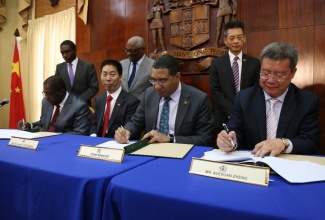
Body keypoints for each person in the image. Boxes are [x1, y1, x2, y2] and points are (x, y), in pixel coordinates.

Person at [217, 42, 320, 156]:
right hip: (252, 163)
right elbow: (235, 131)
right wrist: (228, 141)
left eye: (279, 75)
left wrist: (283, 144)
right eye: (265, 73)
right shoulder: (244, 98)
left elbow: (311, 142)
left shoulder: (307, 101)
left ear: (293, 73)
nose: (270, 80)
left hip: (287, 165)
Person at [115, 54, 214, 146]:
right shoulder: (149, 94)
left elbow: (205, 138)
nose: (157, 86)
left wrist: (170, 139)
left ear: (177, 76)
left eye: (162, 80)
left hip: (181, 153)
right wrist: (127, 131)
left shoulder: (198, 99)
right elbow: (136, 122)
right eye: (153, 80)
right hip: (151, 150)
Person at [209, 20, 260, 135]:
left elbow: (256, 89)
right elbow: (215, 91)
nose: (236, 41)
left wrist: (244, 111)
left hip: (248, 116)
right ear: (225, 41)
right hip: (223, 117)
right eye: (232, 38)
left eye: (239, 37)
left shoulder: (255, 63)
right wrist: (232, 111)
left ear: (244, 38)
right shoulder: (216, 64)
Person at [17, 76, 90, 135]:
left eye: (49, 94)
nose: (46, 97)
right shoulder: (46, 102)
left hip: (64, 147)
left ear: (61, 92)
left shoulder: (79, 106)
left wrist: (50, 134)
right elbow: (43, 122)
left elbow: (80, 134)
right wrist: (30, 125)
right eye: (45, 93)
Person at [90, 60, 140, 138]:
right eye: (104, 74)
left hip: (117, 143)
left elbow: (129, 128)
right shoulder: (99, 99)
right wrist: (93, 136)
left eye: (112, 74)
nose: (108, 78)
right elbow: (95, 124)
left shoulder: (132, 102)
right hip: (98, 142)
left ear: (120, 77)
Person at [55, 40, 99, 106]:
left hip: (83, 105)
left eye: (67, 52)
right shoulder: (59, 67)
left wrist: (78, 100)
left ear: (75, 50)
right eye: (62, 53)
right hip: (65, 106)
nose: (64, 55)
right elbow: (57, 87)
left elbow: (94, 87)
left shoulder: (87, 66)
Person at [120, 36, 155, 101]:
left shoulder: (153, 65)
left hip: (142, 107)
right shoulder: (121, 64)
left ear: (142, 49)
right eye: (127, 50)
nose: (128, 53)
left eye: (132, 51)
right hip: (123, 106)